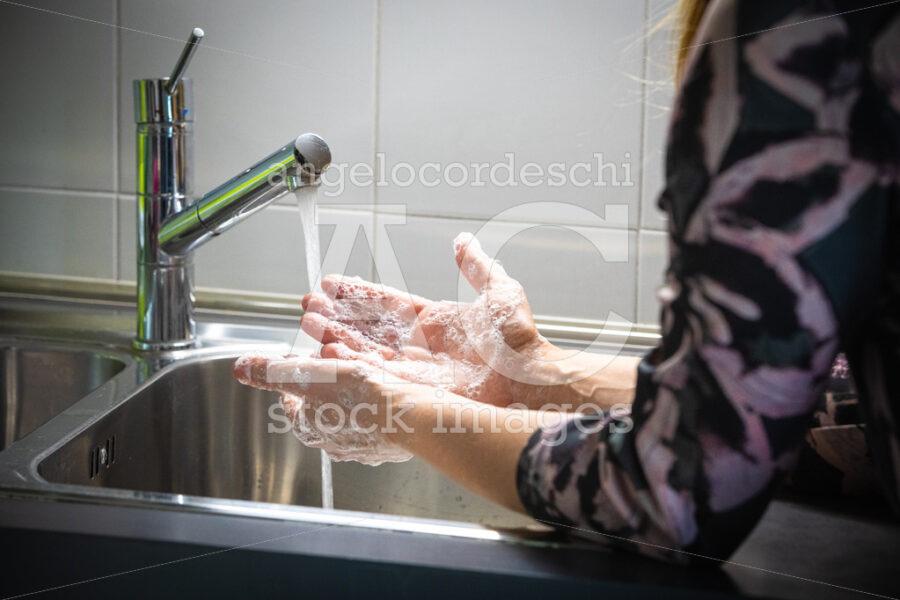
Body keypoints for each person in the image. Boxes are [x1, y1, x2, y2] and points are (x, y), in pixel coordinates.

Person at [233, 0, 900, 564]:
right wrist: (533, 374)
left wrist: (397, 411)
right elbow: (832, 409)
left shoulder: (795, 33)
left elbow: (672, 495)